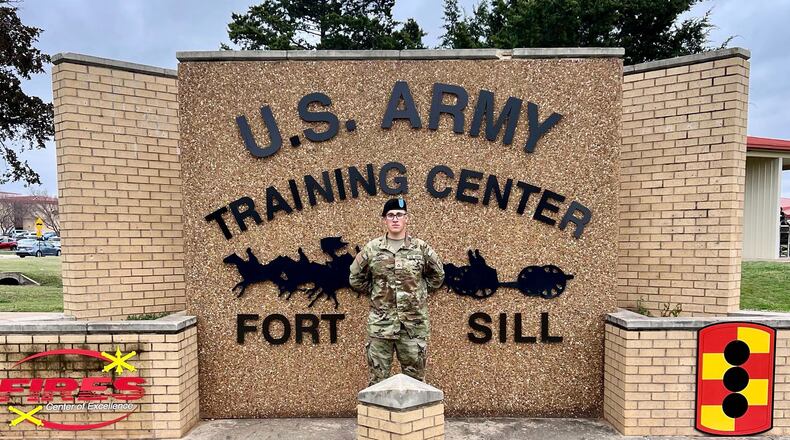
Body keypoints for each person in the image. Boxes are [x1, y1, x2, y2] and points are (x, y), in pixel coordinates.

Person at [349, 197, 445, 386]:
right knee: (377, 383)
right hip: (381, 326)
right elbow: (355, 278)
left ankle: (414, 417)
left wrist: (419, 293)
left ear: (406, 218)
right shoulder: (372, 249)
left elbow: (438, 276)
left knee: (415, 383)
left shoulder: (421, 248)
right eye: (390, 215)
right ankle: (379, 417)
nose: (395, 219)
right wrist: (378, 291)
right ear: (384, 219)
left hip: (413, 327)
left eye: (399, 215)